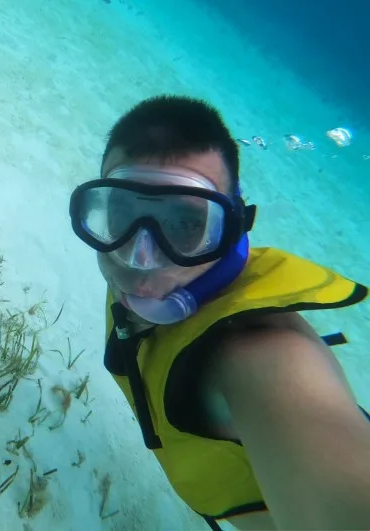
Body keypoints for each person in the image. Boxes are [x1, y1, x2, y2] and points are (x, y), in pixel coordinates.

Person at [68, 95, 370, 530]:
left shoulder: (264, 358)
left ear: (231, 229)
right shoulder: (150, 270)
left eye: (187, 224)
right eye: (122, 213)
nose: (141, 258)